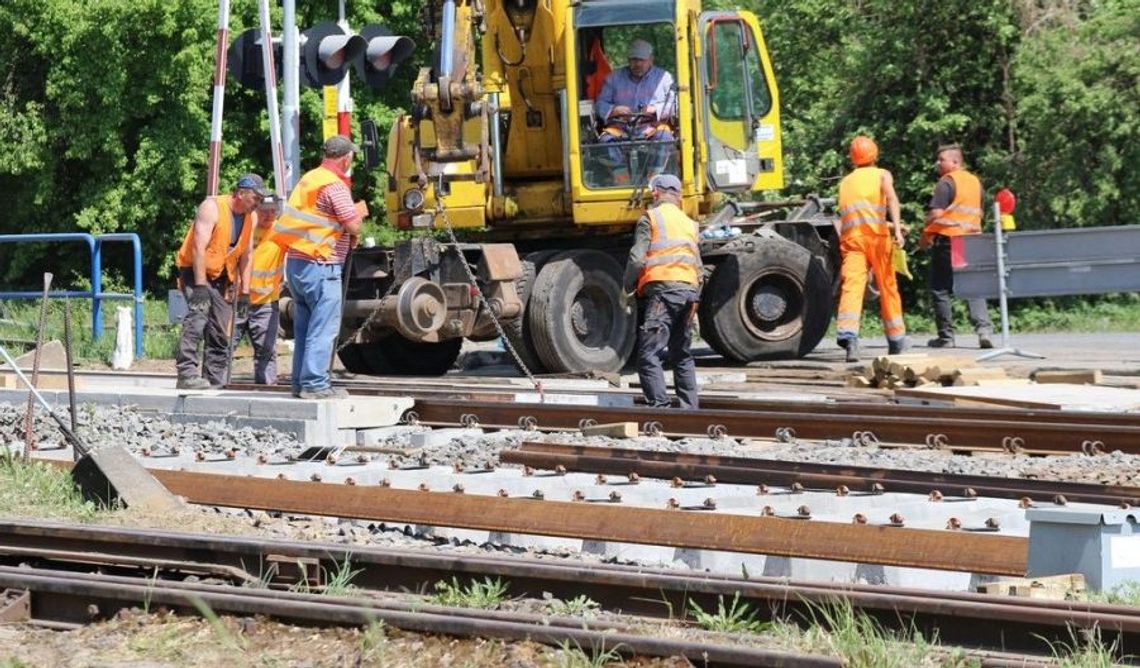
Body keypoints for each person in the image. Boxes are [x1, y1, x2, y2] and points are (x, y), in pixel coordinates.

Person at [273, 135, 365, 399]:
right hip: (322, 265)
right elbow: (353, 224)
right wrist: (358, 216)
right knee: (323, 328)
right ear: (346, 158)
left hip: (298, 264)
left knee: (305, 329)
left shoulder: (309, 179)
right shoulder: (335, 185)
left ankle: (300, 383)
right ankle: (314, 384)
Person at [173, 173, 267, 390]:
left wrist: (245, 292)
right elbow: (198, 248)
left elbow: (247, 255)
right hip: (196, 272)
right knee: (198, 318)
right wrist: (199, 286)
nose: (258, 203)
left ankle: (214, 379)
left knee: (220, 329)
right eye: (256, 198)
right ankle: (186, 374)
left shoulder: (250, 217)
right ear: (241, 193)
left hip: (222, 276)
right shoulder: (211, 208)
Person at [623, 174, 701, 409]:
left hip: (663, 292)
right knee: (682, 354)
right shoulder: (690, 224)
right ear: (678, 196)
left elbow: (637, 259)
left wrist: (627, 288)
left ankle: (660, 410)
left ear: (655, 193)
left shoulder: (650, 218)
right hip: (689, 292)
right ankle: (691, 411)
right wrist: (695, 300)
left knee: (649, 353)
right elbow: (698, 267)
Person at [834, 136, 908, 362]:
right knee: (887, 286)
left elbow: (858, 215)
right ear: (875, 154)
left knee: (852, 287)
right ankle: (896, 340)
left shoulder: (846, 182)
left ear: (853, 158)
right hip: (878, 239)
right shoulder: (882, 174)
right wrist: (897, 229)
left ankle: (849, 338)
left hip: (853, 241)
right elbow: (892, 200)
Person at [919, 144, 994, 349]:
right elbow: (979, 212)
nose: (938, 163)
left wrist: (926, 233)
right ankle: (984, 331)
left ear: (955, 162)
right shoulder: (975, 182)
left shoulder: (947, 182)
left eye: (941, 160)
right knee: (973, 286)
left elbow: (936, 215)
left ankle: (946, 337)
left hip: (950, 240)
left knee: (940, 288)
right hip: (972, 241)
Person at [595, 39, 676, 180]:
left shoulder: (664, 78)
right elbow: (600, 104)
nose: (637, 64)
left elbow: (676, 104)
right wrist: (614, 110)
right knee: (605, 140)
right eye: (633, 60)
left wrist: (654, 109)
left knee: (664, 137)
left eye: (641, 60)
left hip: (651, 128)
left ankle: (654, 179)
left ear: (651, 59)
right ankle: (622, 181)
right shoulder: (614, 78)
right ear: (628, 60)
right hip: (621, 129)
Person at [232, 199, 285, 385]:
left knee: (267, 352)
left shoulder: (281, 231)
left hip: (266, 302)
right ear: (255, 210)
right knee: (224, 346)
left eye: (273, 211)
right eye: (264, 210)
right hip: (237, 300)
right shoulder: (243, 227)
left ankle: (267, 389)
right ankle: (215, 384)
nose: (269, 215)